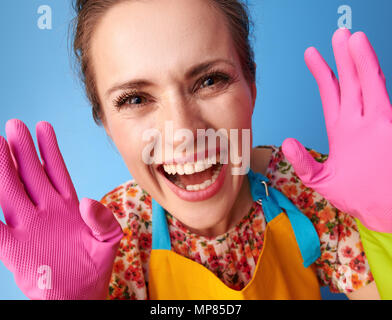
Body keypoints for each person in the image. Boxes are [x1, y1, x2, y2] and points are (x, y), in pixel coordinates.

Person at [0, 0, 389, 299]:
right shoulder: (107, 247)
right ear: (105, 123)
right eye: (135, 99)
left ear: (251, 87)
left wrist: (385, 228)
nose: (183, 133)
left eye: (210, 80)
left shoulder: (308, 188)